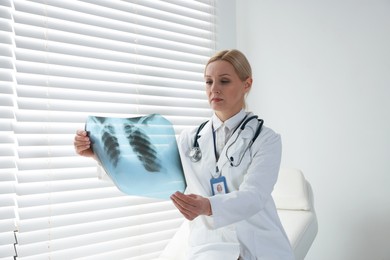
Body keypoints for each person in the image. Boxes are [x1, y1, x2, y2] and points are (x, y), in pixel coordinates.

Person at [74, 49, 294, 260]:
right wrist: (98, 153)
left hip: (259, 247)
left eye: (224, 81)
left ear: (247, 84)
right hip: (210, 248)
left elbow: (254, 196)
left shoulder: (266, 139)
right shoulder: (190, 139)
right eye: (208, 81)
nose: (214, 89)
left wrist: (208, 206)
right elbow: (151, 174)